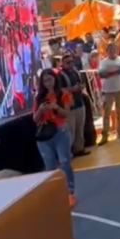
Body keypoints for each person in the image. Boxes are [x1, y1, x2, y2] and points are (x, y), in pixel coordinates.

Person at [33, 68, 76, 207]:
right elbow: (35, 119)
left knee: (64, 162)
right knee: (50, 167)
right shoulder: (39, 97)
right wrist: (41, 110)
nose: (48, 83)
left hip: (60, 131)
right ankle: (55, 194)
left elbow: (66, 113)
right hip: (44, 135)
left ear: (55, 79)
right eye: (45, 80)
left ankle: (69, 192)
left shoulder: (64, 93)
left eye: (50, 79)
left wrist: (55, 107)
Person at [96, 42, 120, 145]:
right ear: (107, 51)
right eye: (110, 50)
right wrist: (114, 72)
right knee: (107, 113)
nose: (113, 51)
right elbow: (101, 74)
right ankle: (105, 134)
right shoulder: (104, 62)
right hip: (108, 90)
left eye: (114, 49)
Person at [59, 54, 89, 157]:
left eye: (72, 62)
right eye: (68, 62)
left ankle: (79, 149)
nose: (70, 64)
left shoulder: (76, 72)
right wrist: (73, 89)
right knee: (70, 130)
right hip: (69, 107)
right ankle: (68, 153)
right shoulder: (60, 75)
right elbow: (60, 90)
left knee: (80, 128)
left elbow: (81, 84)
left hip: (79, 102)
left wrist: (81, 87)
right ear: (62, 64)